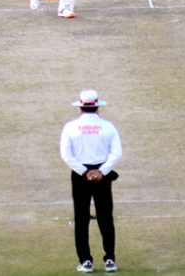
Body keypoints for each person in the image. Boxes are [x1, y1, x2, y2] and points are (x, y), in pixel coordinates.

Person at [60, 89, 122, 273]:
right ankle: (110, 259)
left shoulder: (70, 127)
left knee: (81, 218)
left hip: (80, 177)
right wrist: (100, 172)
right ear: (97, 106)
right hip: (102, 177)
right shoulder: (108, 127)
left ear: (81, 107)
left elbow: (66, 155)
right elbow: (116, 153)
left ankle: (86, 261)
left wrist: (85, 172)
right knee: (105, 218)